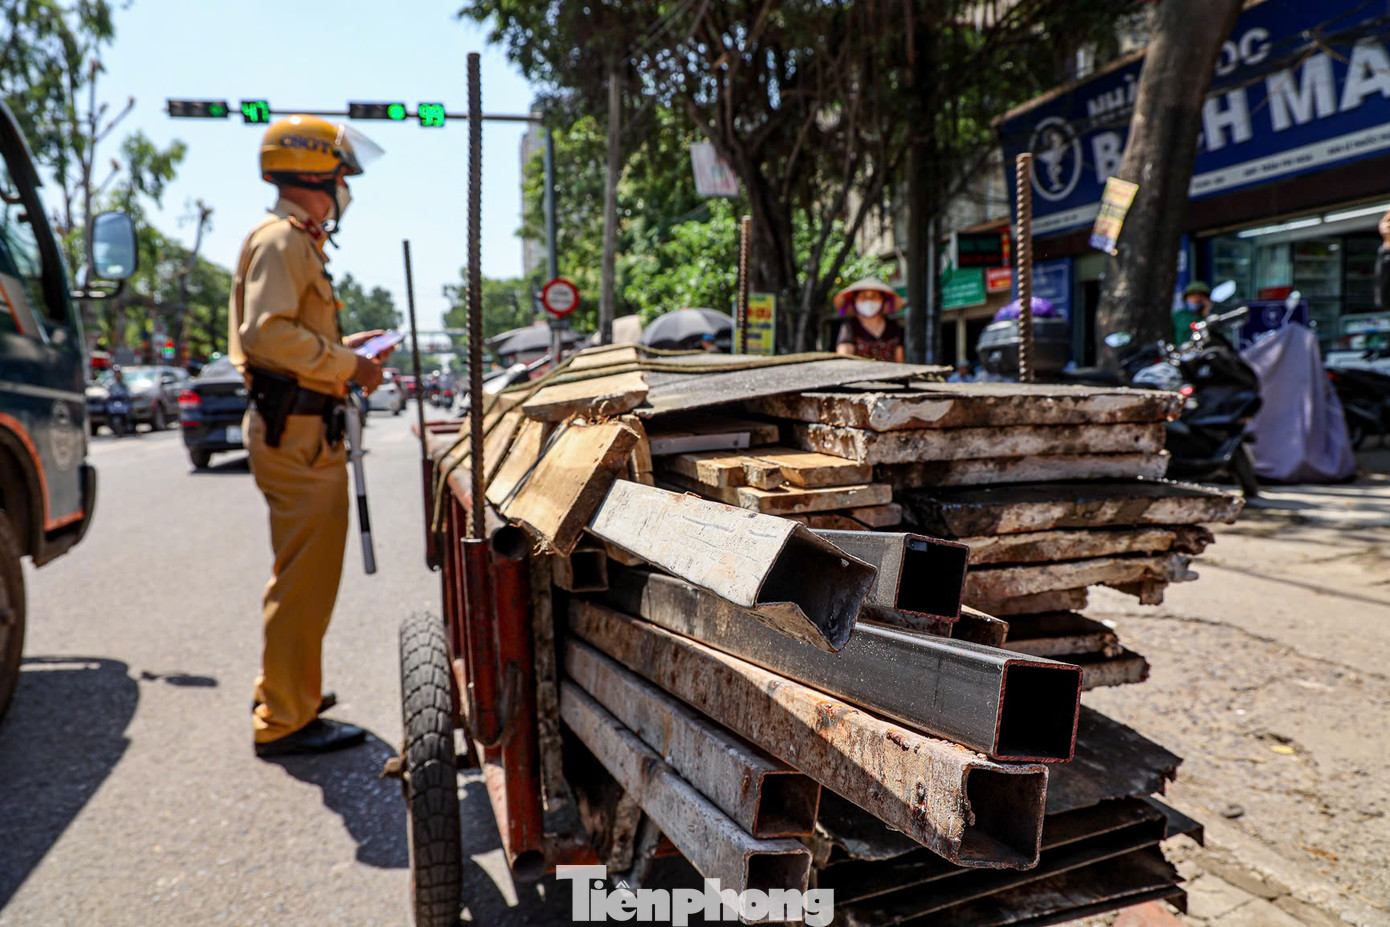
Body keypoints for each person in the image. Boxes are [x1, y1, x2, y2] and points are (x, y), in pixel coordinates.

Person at [228, 114, 391, 758]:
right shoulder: (282, 240)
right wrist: (350, 364)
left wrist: (338, 351)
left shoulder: (296, 241)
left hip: (301, 430)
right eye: (343, 176)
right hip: (295, 435)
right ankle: (285, 719)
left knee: (301, 575)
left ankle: (287, 688)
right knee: (305, 581)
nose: (347, 188)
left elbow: (289, 337)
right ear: (317, 176)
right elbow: (265, 335)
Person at [833, 277, 905, 362]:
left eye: (874, 296)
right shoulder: (849, 327)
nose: (869, 301)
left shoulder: (893, 327)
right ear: (855, 300)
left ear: (882, 299)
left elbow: (900, 361)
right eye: (863, 296)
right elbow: (843, 360)